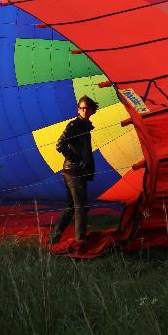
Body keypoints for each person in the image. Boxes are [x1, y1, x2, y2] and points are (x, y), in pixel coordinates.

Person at [50, 95, 99, 245]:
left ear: (92, 110)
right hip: (73, 172)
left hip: (74, 171)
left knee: (71, 207)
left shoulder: (84, 126)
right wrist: (77, 161)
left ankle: (54, 238)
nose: (84, 111)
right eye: (82, 108)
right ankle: (81, 241)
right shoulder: (74, 125)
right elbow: (60, 145)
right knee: (81, 207)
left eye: (87, 108)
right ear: (78, 110)